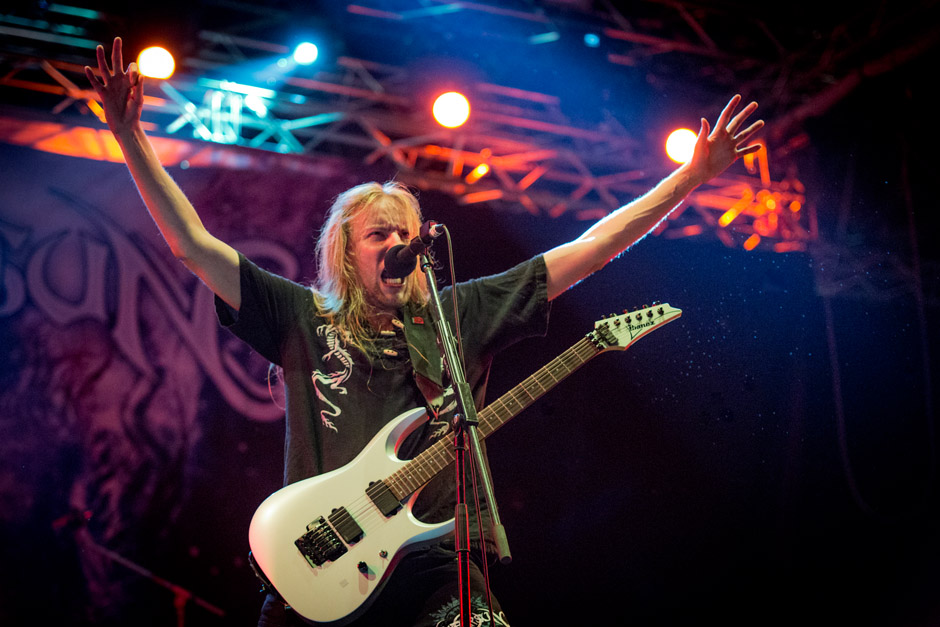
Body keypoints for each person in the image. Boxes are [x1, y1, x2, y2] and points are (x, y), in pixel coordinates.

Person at [85, 37, 763, 627]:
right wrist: (131, 137)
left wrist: (688, 179)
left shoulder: (457, 313)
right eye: (380, 234)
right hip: (319, 562)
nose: (398, 244)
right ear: (347, 253)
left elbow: (586, 250)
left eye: (407, 232)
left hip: (435, 568)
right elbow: (192, 246)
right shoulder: (301, 317)